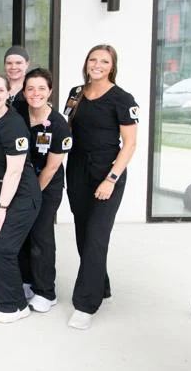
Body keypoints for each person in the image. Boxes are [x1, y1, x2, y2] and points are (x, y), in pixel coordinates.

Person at [64, 44, 138, 330]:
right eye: (93, 59)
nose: (97, 65)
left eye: (104, 61)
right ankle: (101, 285)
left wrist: (111, 179)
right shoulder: (76, 93)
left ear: (112, 66)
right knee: (84, 233)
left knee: (96, 235)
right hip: (77, 169)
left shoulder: (121, 98)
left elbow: (130, 143)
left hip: (107, 171)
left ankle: (85, 304)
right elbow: (66, 127)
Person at [0, 72, 41, 324]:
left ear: (8, 93)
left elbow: (14, 171)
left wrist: (2, 208)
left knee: (0, 248)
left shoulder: (13, 124)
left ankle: (15, 305)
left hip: (19, 198)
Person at [17, 68, 71, 313]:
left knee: (40, 236)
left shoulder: (59, 125)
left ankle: (46, 292)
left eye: (41, 88)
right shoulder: (17, 112)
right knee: (22, 235)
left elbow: (51, 168)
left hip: (45, 187)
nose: (35, 93)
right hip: (21, 185)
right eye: (30, 88)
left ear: (50, 91)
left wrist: (33, 196)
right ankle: (27, 282)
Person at [4, 46, 30, 113]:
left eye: (18, 63)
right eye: (9, 63)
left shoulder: (32, 89)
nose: (13, 67)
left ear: (27, 64)